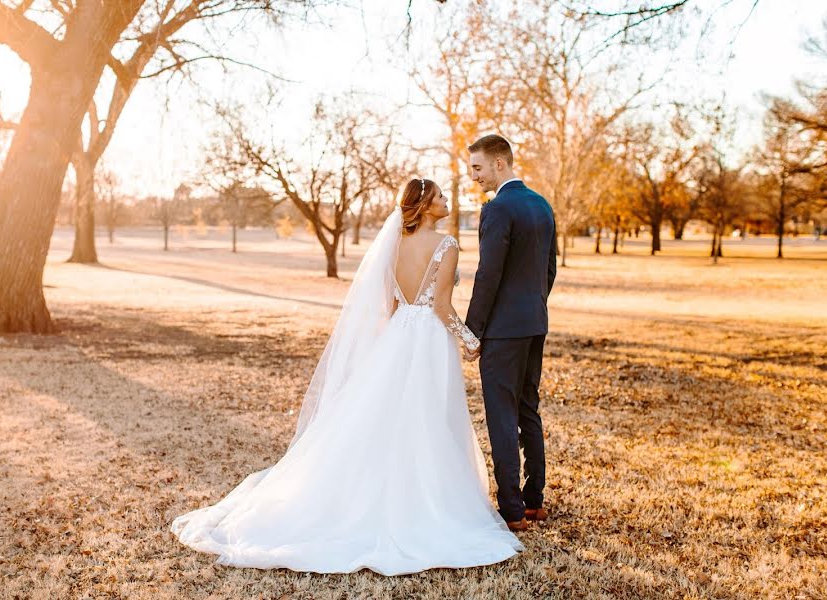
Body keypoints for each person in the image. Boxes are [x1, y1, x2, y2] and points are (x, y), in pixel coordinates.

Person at [170, 178, 523, 575]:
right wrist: (470, 340)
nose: (446, 201)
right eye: (440, 196)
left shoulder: (394, 245)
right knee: (426, 418)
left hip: (398, 337)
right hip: (427, 340)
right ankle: (419, 501)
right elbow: (441, 305)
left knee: (387, 419)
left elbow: (392, 304)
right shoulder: (447, 245)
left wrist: (390, 345)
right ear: (424, 206)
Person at [464, 134, 558, 532]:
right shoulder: (541, 205)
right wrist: (532, 306)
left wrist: (474, 330)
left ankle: (512, 509)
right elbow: (549, 269)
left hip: (503, 331)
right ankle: (535, 501)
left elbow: (489, 274)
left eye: (478, 168)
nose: (475, 177)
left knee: (502, 416)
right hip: (535, 323)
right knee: (527, 410)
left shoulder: (498, 208)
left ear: (499, 164)